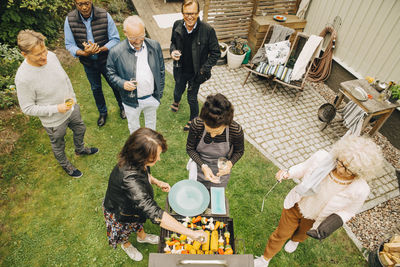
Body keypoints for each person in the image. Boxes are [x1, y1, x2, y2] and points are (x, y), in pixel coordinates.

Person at [254, 135, 384, 267]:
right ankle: (264, 260)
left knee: (302, 233)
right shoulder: (322, 158)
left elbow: (349, 211)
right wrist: (288, 173)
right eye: (341, 162)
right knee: (281, 234)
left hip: (316, 218)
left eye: (348, 169)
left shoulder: (360, 189)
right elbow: (303, 168)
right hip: (296, 205)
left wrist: (335, 220)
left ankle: (296, 240)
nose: (340, 169)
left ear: (360, 172)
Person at [103, 128, 206, 261]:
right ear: (140, 156)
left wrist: (156, 181)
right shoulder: (130, 180)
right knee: (124, 231)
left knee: (138, 223)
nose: (158, 159)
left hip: (135, 208)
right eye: (154, 158)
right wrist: (191, 233)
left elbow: (144, 173)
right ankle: (126, 244)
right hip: (121, 210)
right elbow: (154, 213)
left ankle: (142, 237)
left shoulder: (137, 160)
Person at [15, 30, 98, 178]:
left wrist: (73, 97)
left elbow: (65, 78)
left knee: (80, 128)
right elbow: (27, 108)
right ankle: (66, 165)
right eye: (38, 54)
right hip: (53, 121)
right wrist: (56, 109)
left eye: (44, 50)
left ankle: (80, 149)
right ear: (24, 55)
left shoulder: (51, 56)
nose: (44, 56)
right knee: (58, 144)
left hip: (71, 108)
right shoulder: (23, 78)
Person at [64, 0, 125, 127]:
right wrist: (83, 52)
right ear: (75, 4)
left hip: (106, 60)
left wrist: (101, 49)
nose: (84, 7)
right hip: (88, 63)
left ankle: (123, 107)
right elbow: (69, 44)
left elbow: (115, 38)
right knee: (96, 89)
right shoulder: (69, 20)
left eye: (86, 3)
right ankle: (103, 113)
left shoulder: (104, 15)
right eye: (80, 4)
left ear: (91, 1)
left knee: (115, 85)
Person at [107, 15, 165, 134]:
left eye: (141, 36)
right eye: (134, 37)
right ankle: (137, 150)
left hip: (152, 98)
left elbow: (161, 70)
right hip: (131, 101)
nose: (138, 41)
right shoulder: (115, 52)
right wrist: (122, 83)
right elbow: (110, 73)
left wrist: (159, 92)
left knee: (151, 127)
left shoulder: (155, 46)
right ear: (125, 33)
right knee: (134, 129)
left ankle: (150, 148)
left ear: (144, 31)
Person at [170, 0, 220, 131]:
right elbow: (173, 43)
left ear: (198, 13)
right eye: (187, 13)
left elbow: (216, 53)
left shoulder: (208, 30)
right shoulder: (177, 25)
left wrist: (204, 69)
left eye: (193, 13)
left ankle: (193, 119)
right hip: (180, 69)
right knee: (177, 91)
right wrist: (172, 51)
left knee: (192, 98)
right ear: (182, 13)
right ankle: (176, 101)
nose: (190, 17)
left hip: (196, 73)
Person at [186, 94, 244, 189]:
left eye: (217, 132)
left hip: (220, 172)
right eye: (208, 131)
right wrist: (203, 166)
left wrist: (230, 164)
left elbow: (239, 151)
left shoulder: (235, 130)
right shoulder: (197, 124)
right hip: (199, 167)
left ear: (226, 125)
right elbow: (190, 149)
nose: (212, 135)